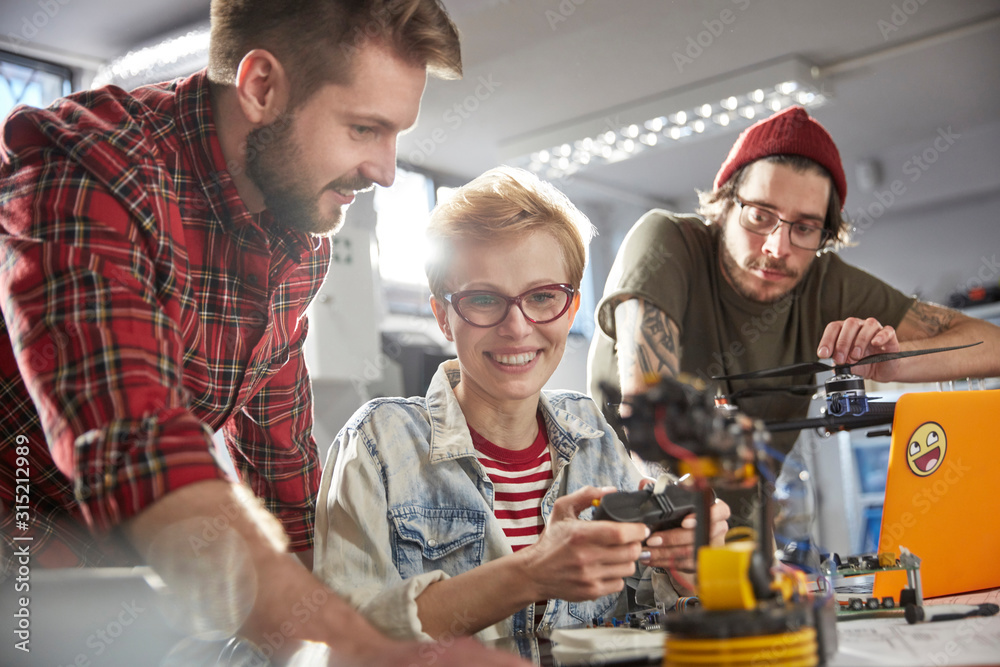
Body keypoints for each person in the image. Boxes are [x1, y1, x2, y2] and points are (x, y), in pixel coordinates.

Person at [0, 1, 526, 664]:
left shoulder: (297, 240)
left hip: (119, 566)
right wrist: (364, 648)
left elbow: (281, 469)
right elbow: (135, 441)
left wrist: (339, 630)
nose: (386, 170)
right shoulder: (93, 165)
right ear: (260, 86)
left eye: (395, 135)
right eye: (364, 128)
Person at [313, 166, 730, 641]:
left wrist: (687, 569)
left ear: (571, 310)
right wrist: (530, 574)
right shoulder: (378, 443)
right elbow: (346, 639)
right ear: (444, 317)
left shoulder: (592, 434)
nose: (516, 326)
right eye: (483, 299)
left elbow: (645, 611)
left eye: (543, 296)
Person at [589, 106, 1000, 455]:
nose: (777, 247)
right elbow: (649, 417)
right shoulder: (667, 243)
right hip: (632, 519)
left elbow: (991, 345)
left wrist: (892, 362)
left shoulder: (824, 281)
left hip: (753, 526)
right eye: (759, 215)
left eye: (804, 228)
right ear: (726, 204)